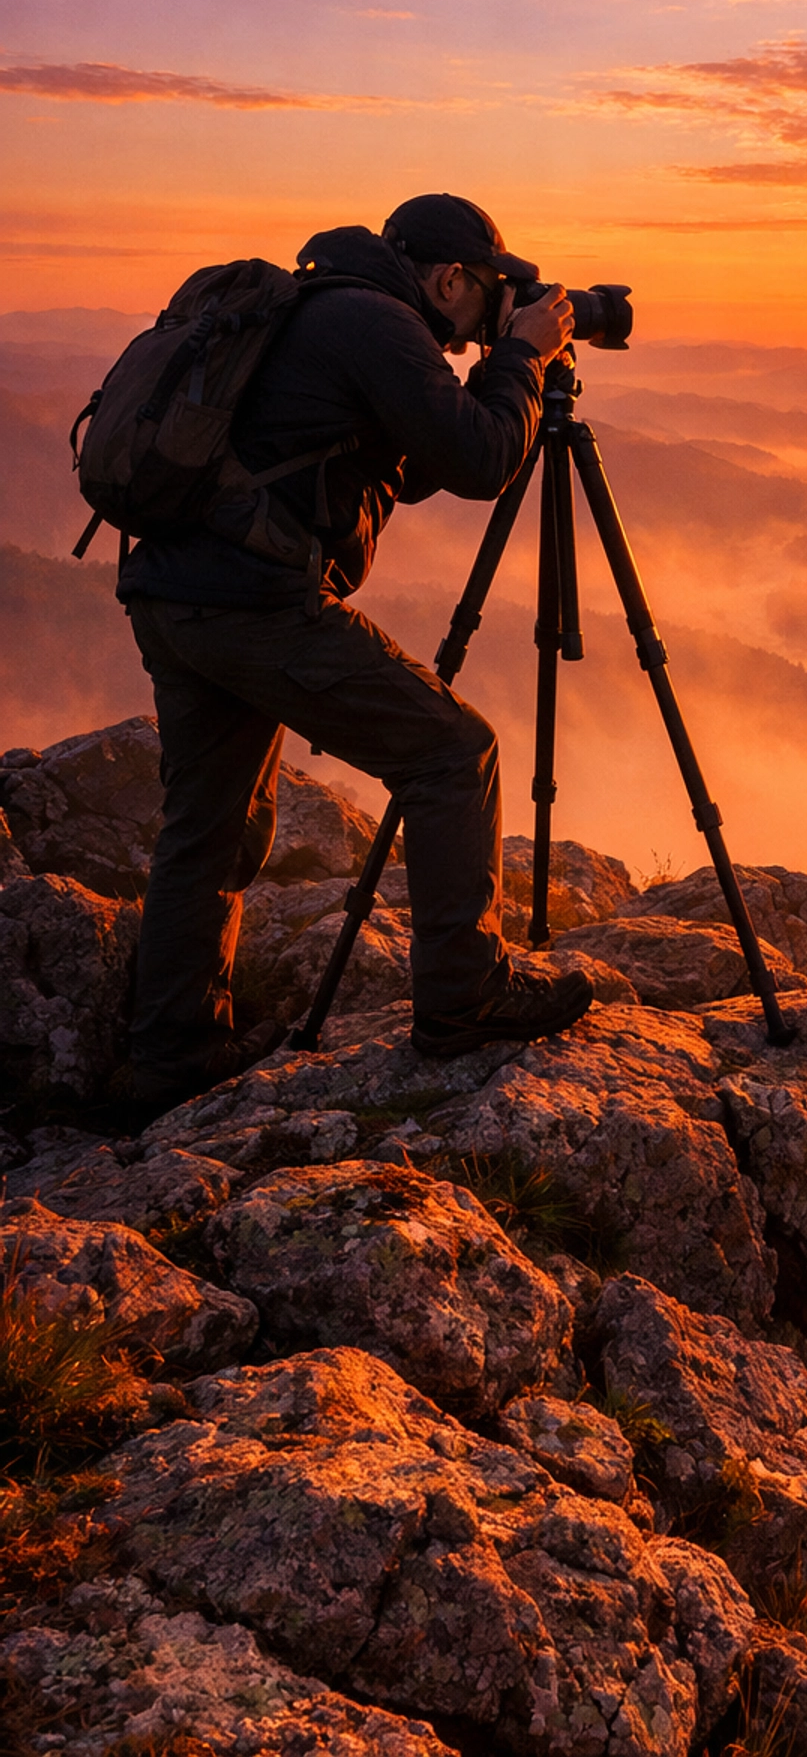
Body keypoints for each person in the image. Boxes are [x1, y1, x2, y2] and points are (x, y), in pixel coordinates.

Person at [115, 193, 591, 1120]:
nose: (477, 324)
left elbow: (404, 463)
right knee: (454, 754)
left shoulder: (322, 302)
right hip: (255, 603)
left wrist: (493, 377)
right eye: (488, 291)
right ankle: (465, 998)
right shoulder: (379, 322)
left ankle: (172, 1062)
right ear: (452, 278)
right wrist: (524, 357)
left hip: (174, 593)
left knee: (208, 828)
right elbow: (484, 461)